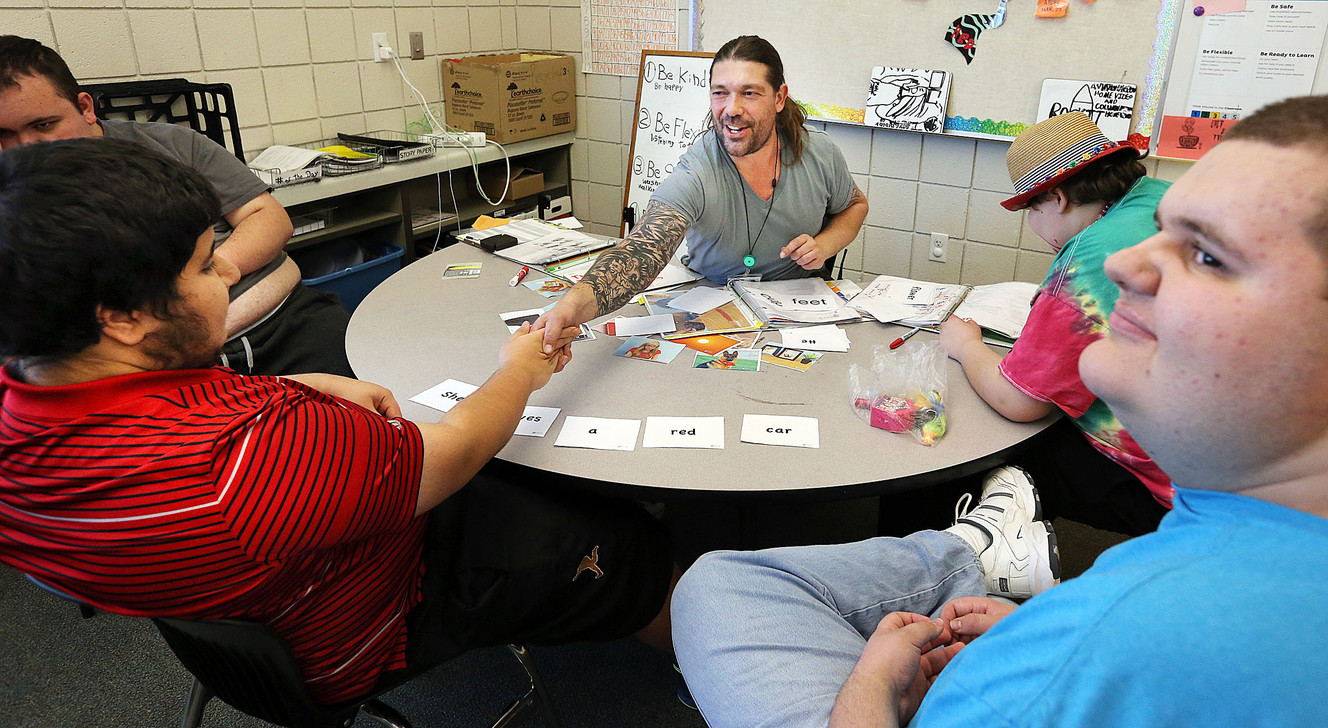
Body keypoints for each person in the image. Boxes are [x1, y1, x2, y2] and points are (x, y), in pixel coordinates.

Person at [673, 95, 1328, 728]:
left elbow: (1020, 399)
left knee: (714, 585)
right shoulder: (1233, 569)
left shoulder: (1116, 637)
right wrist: (1029, 628)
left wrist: (871, 683)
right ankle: (975, 550)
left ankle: (968, 548)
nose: (1126, 263)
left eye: (1208, 256)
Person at [0, 138, 676, 706]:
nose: (230, 268)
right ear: (121, 317)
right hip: (360, 621)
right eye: (207, 263)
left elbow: (180, 425)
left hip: (239, 604)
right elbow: (459, 446)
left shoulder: (22, 416)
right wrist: (521, 370)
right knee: (624, 535)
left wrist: (294, 385)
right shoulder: (245, 460)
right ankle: (692, 651)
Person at [0, 35, 354, 378]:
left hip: (286, 325)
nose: (24, 149)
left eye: (44, 124)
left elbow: (268, 217)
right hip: (168, 375)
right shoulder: (14, 205)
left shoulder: (170, 145)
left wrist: (213, 273)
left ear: (85, 107)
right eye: (1, 135)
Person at [536, 35, 868, 351]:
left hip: (797, 311)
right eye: (720, 93)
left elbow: (855, 205)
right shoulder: (698, 168)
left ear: (779, 98)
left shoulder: (817, 153)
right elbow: (640, 252)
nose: (731, 109)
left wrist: (826, 244)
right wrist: (569, 309)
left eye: (749, 93)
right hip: (715, 306)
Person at [940, 111, 1171, 536]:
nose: (1034, 225)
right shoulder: (1162, 197)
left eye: (1031, 209)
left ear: (1058, 198)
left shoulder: (1095, 254)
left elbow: (1020, 402)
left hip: (1182, 488)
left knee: (960, 460)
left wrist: (965, 343)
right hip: (1267, 461)